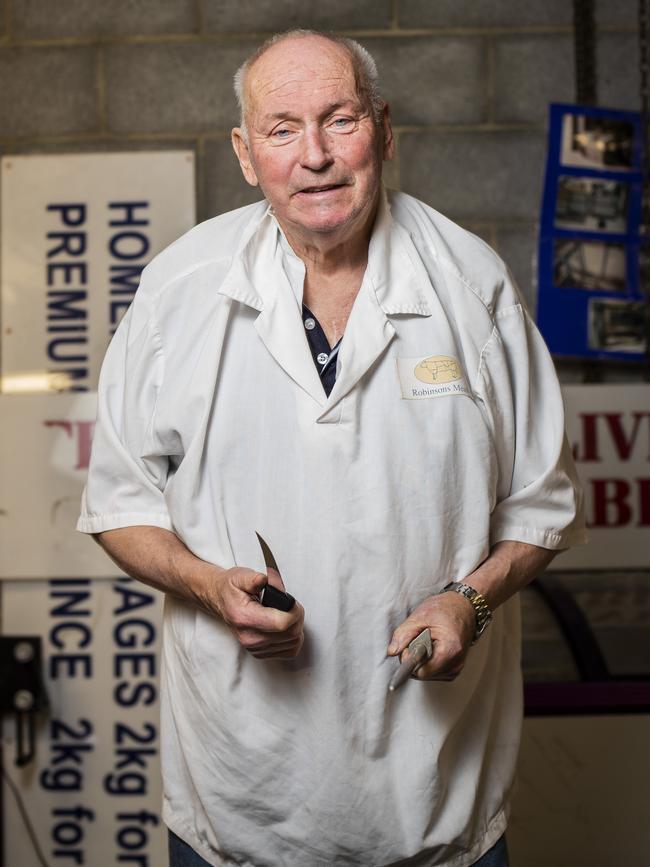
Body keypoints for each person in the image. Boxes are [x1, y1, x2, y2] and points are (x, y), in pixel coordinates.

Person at [78, 29, 585, 867]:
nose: (313, 155)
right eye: (281, 130)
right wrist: (209, 585)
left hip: (438, 801)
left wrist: (472, 601)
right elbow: (121, 503)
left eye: (338, 120)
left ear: (382, 130)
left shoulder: (471, 283)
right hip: (237, 799)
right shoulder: (180, 291)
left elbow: (541, 505)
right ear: (246, 154)